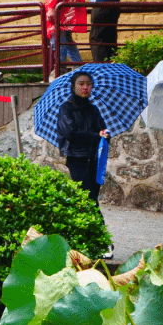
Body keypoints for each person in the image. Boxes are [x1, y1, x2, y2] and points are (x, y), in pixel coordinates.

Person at [55, 72, 110, 231]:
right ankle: (102, 238)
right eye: (81, 83)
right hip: (76, 158)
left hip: (94, 159)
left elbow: (103, 129)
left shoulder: (93, 109)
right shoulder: (66, 108)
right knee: (90, 198)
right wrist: (95, 136)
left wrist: (105, 135)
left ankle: (83, 234)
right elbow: (70, 133)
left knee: (89, 199)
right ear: (73, 86)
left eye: (89, 83)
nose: (85, 87)